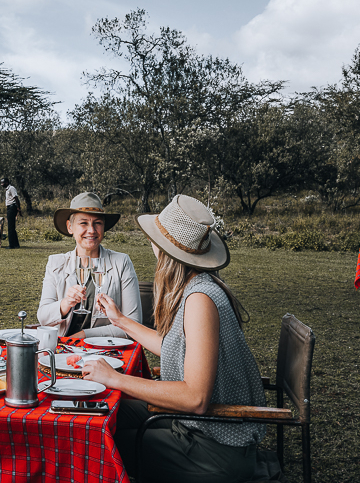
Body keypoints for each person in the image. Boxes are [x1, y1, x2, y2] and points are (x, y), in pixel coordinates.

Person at [82, 195, 266, 483]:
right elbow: (172, 347)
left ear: (166, 250)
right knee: (102, 412)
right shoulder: (197, 286)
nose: (151, 244)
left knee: (95, 446)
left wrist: (114, 378)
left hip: (212, 447)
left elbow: (195, 398)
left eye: (155, 239)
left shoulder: (200, 300)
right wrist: (120, 320)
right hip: (195, 428)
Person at [37, 192, 142, 339]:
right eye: (83, 223)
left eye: (97, 223)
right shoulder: (56, 263)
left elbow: (134, 323)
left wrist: (85, 335)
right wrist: (65, 303)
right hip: (64, 350)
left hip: (106, 352)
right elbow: (43, 318)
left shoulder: (121, 262)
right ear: (70, 227)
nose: (92, 230)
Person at [0, 177, 21, 249]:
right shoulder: (7, 190)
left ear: (7, 182)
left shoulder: (11, 188)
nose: (1, 184)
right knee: (12, 227)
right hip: (9, 208)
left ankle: (11, 245)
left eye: (3, 183)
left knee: (10, 227)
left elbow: (16, 198)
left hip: (12, 208)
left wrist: (18, 207)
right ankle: (16, 244)